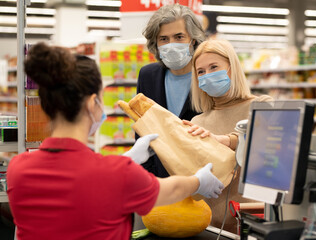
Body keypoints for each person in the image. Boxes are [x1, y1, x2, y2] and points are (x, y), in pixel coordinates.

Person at [6, 42, 224, 240]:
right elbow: (170, 190)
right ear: (93, 104)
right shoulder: (117, 173)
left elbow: (77, 181)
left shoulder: (18, 168)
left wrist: (128, 157)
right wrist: (198, 180)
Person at [183, 39, 273, 233]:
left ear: (232, 68)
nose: (207, 75)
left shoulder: (262, 105)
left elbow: (266, 145)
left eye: (214, 67)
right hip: (210, 227)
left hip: (253, 224)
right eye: (201, 72)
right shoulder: (198, 122)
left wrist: (224, 140)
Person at [137, 4, 206, 178]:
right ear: (156, 43)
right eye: (164, 39)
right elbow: (142, 131)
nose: (171, 44)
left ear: (193, 40)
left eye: (179, 37)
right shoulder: (148, 76)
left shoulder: (207, 75)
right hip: (158, 179)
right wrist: (150, 178)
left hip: (201, 178)